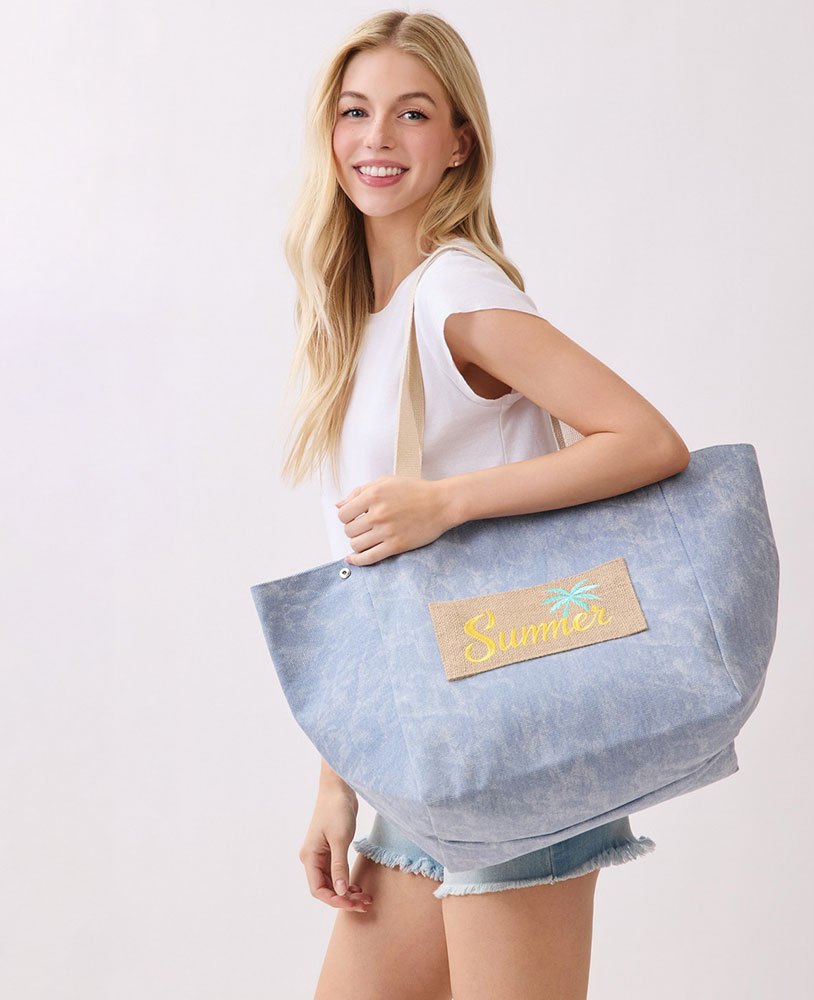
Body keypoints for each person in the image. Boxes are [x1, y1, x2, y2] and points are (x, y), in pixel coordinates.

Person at [277, 10, 691, 999]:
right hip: (432, 746)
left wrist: (446, 503)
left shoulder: (454, 291)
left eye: (412, 113)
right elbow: (370, 576)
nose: (377, 138)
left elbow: (646, 439)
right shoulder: (366, 317)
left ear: (459, 141)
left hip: (513, 746)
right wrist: (336, 782)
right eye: (355, 112)